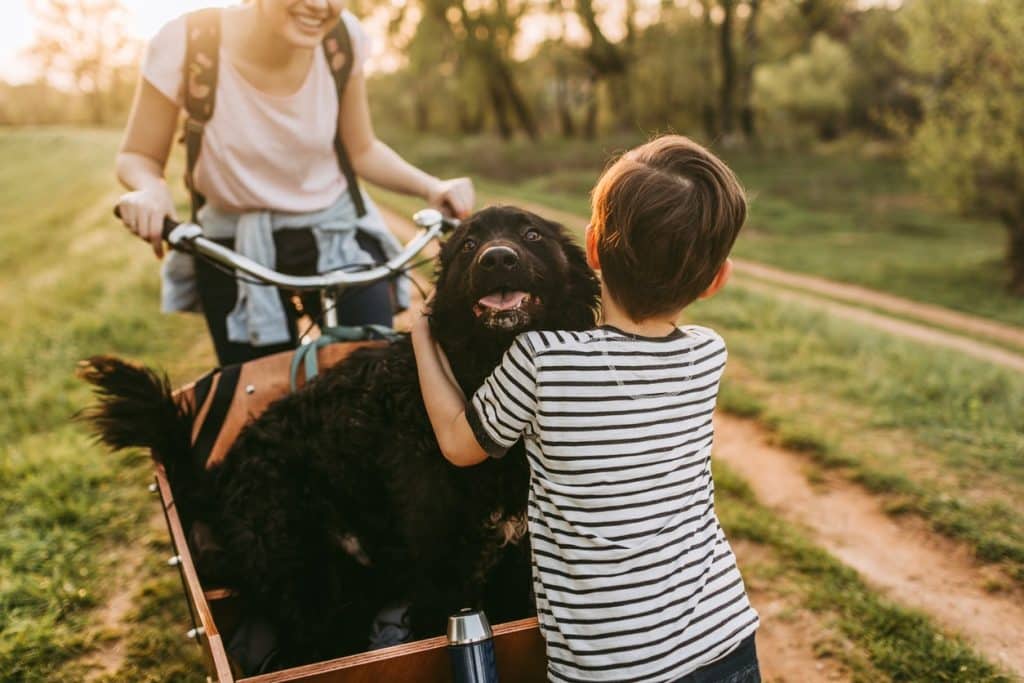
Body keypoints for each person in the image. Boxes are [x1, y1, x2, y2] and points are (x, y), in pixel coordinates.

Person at [411, 135, 760, 682]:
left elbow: (459, 444)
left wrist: (421, 333)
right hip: (725, 636)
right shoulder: (708, 353)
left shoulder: (542, 360)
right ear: (718, 280)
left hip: (610, 667)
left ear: (593, 249)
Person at [115, 0, 474, 366]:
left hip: (336, 233)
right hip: (235, 244)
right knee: (263, 400)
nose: (319, 5)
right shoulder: (189, 42)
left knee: (370, 373)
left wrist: (432, 187)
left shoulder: (342, 39)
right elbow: (138, 155)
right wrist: (150, 191)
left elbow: (362, 149)